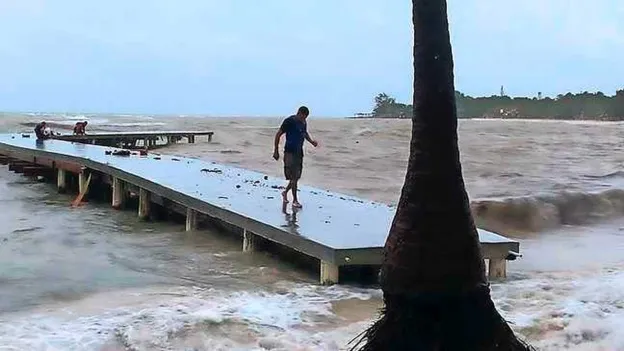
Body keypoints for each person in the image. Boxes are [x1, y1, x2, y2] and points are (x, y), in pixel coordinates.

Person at [273, 106, 318, 208]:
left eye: (306, 118)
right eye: (303, 117)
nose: (304, 119)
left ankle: (285, 193)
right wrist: (276, 150)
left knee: (296, 178)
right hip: (289, 152)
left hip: (299, 152)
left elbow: (304, 133)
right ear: (299, 113)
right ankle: (295, 200)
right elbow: (278, 134)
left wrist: (311, 142)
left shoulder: (303, 122)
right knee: (293, 177)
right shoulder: (289, 121)